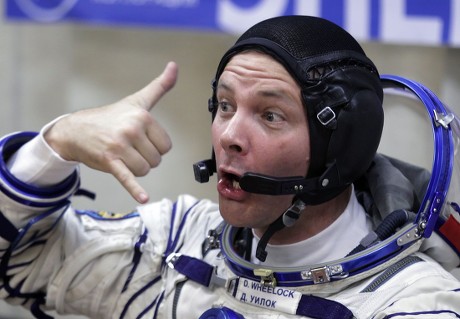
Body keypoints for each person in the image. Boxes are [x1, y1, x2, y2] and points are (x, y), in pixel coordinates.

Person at [0, 15, 459, 319]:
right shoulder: (176, 245)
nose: (228, 137)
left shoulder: (411, 302)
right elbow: (20, 265)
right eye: (223, 105)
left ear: (340, 147)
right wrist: (54, 144)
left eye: (270, 115)